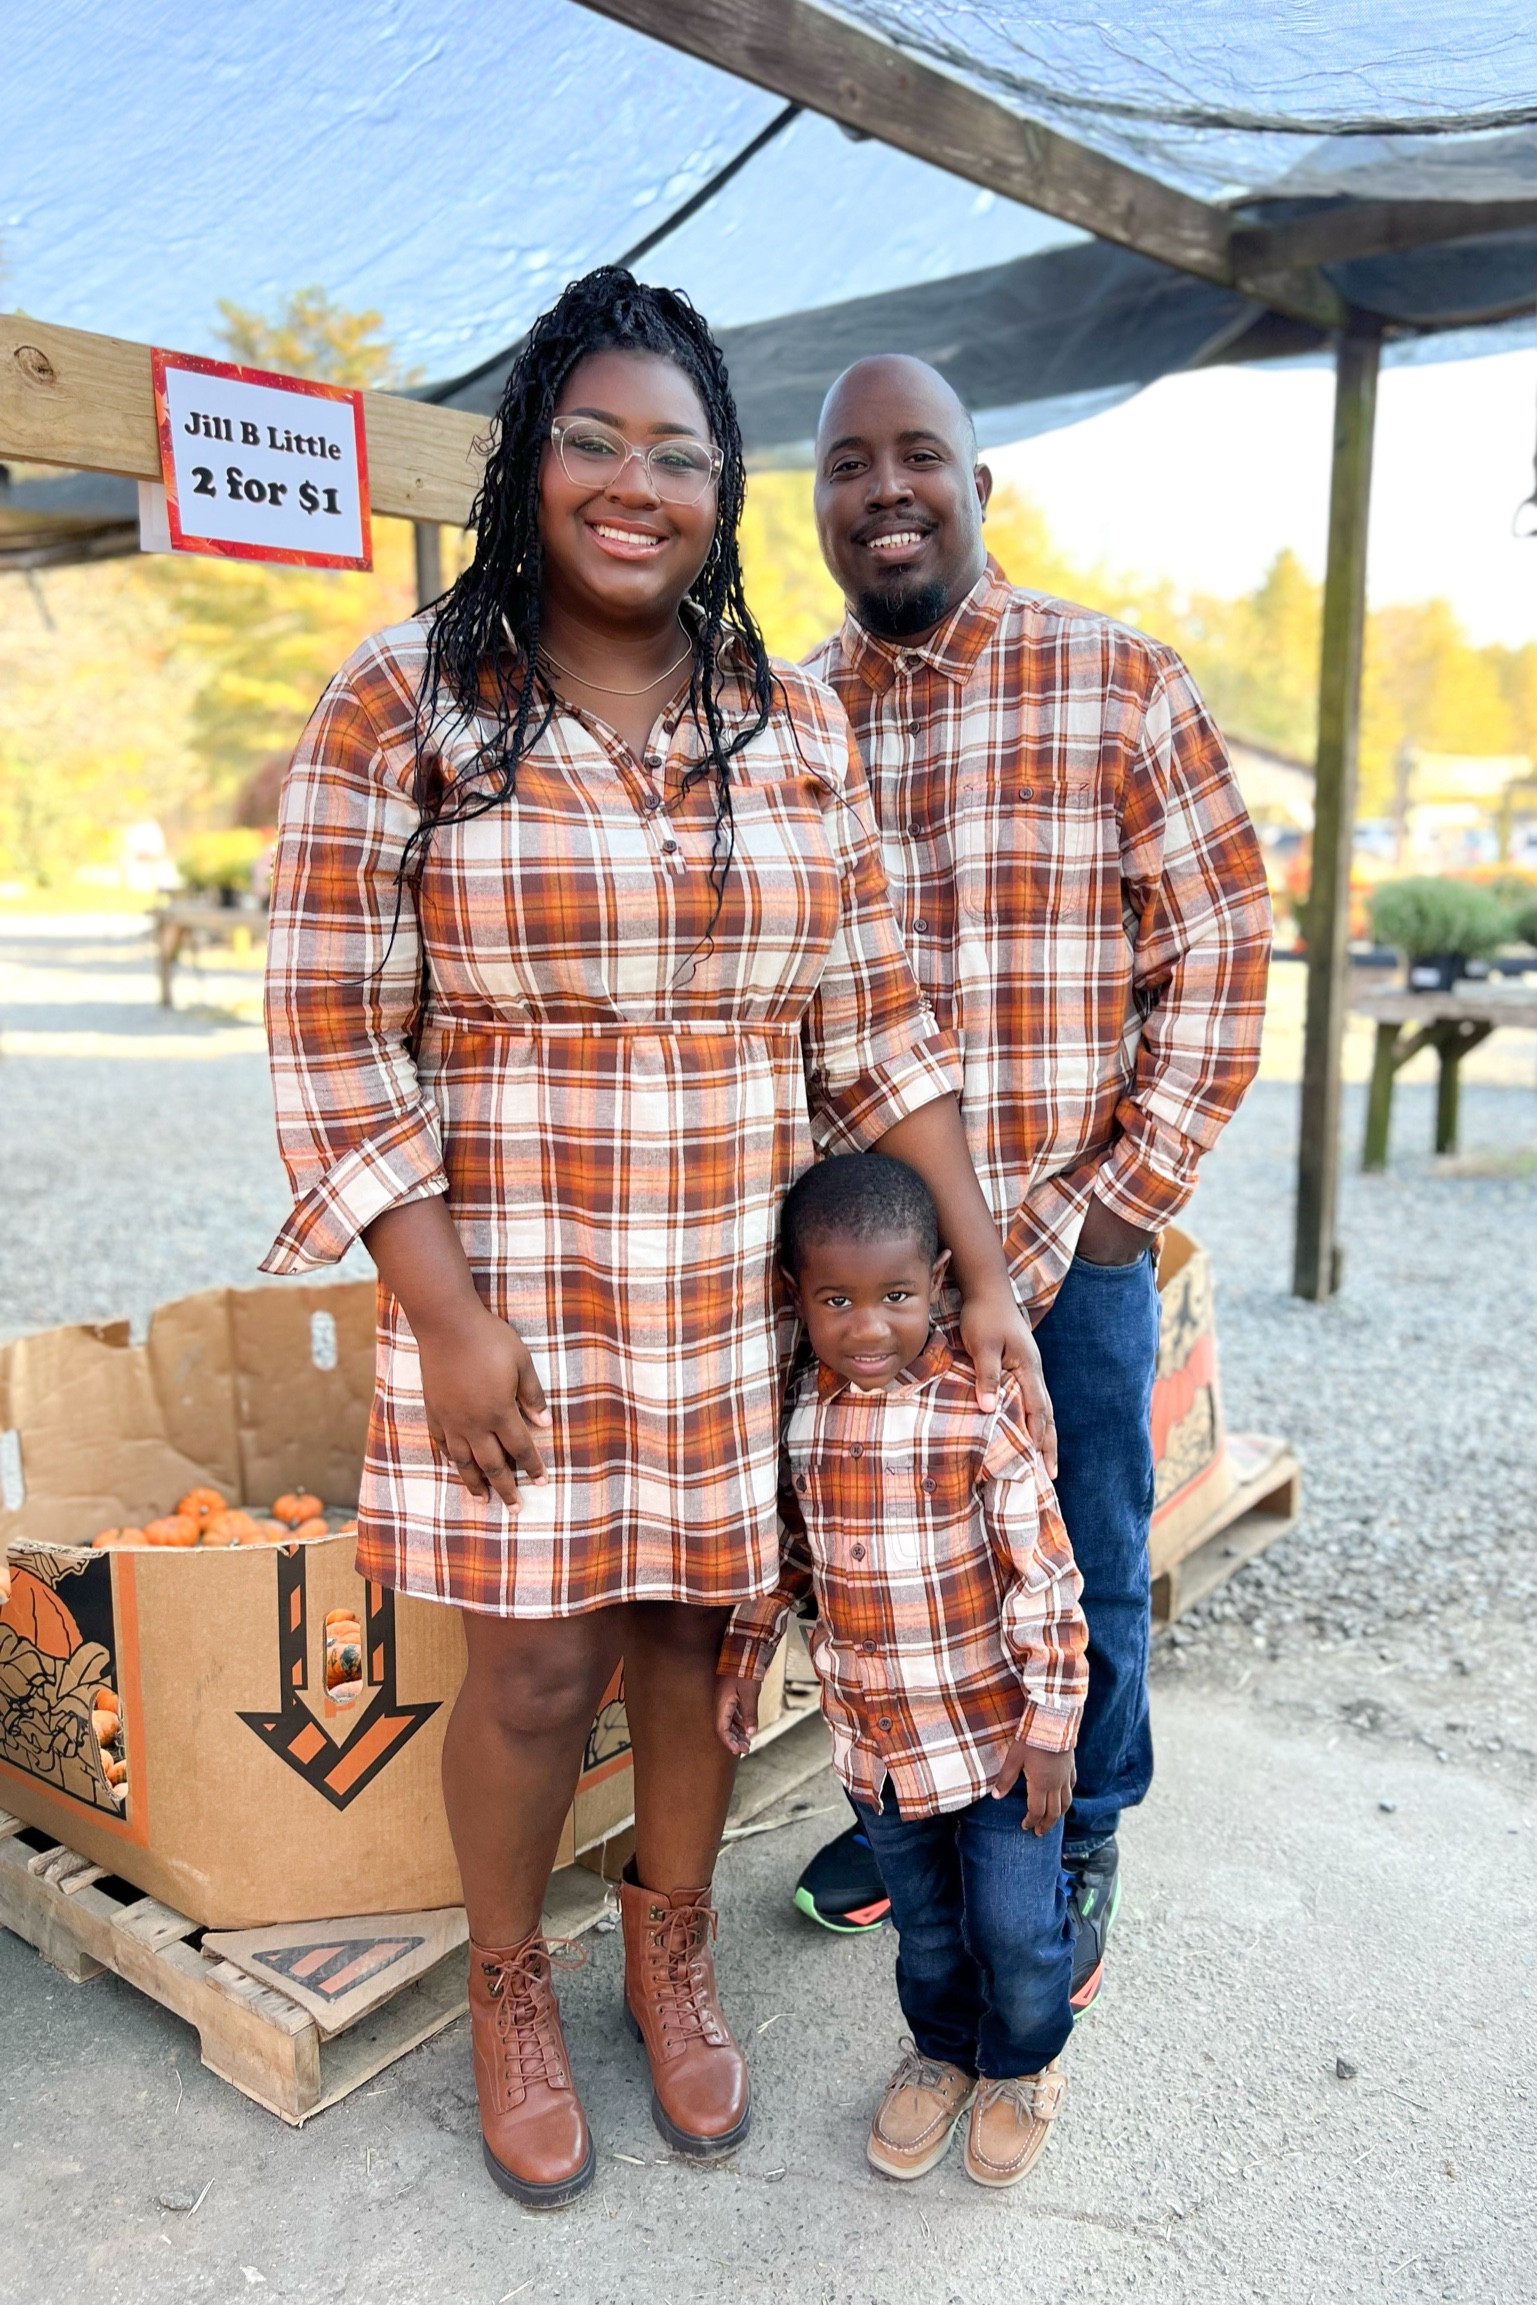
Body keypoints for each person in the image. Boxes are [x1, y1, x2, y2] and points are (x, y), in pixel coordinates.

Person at [262, 276, 1048, 2208]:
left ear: (721, 492)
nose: (636, 485)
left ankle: (669, 1952)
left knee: (698, 1652)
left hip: (723, 1286)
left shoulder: (786, 723)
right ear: (527, 465)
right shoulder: (407, 701)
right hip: (510, 1292)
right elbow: (329, 1028)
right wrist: (441, 1314)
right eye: (593, 441)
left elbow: (878, 1029)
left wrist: (982, 1271)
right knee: (536, 1676)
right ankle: (510, 1985)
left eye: (679, 455)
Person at [791, 355, 1271, 2008]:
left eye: (919, 454)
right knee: (882, 1549)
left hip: (1068, 1238)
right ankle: (920, 1803)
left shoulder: (1118, 682)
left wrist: (1129, 1202)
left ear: (979, 485)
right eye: (848, 464)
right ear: (817, 506)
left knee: (1082, 1550)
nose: (885, 488)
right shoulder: (789, 719)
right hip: (865, 1274)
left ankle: (1082, 1829)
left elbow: (1221, 950)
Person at [716, 1153, 1087, 2187]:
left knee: (1013, 1927)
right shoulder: (799, 1415)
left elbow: (1046, 1577)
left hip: (998, 1743)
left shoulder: (979, 1410)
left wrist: (1052, 1726)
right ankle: (943, 2052)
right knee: (925, 1930)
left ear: (937, 1282)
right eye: (836, 1300)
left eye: (895, 1296)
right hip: (876, 1750)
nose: (867, 1326)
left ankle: (1022, 2062)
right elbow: (787, 1552)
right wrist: (746, 1652)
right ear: (796, 1296)